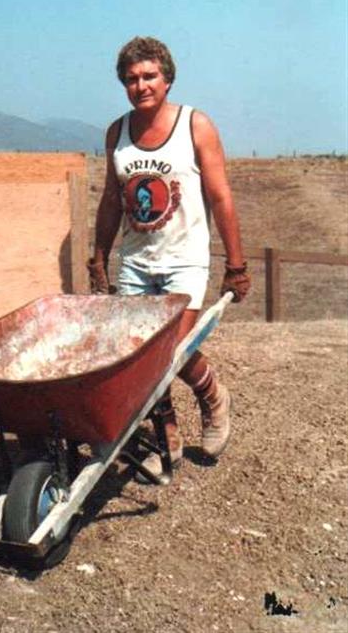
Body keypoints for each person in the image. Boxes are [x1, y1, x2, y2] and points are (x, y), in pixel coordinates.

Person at [88, 36, 250, 478]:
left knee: (174, 349)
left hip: (184, 258)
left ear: (168, 78)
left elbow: (220, 195)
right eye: (131, 79)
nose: (140, 86)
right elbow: (110, 200)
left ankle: (213, 396)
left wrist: (236, 264)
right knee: (141, 356)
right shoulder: (116, 133)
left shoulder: (195, 125)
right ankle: (168, 436)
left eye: (149, 76)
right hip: (137, 261)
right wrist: (98, 257)